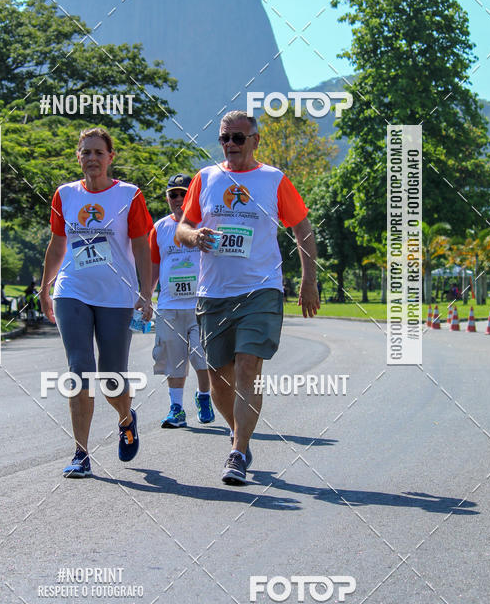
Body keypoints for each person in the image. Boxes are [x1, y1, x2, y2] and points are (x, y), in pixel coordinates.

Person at [177, 110, 320, 485]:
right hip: (214, 292)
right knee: (220, 378)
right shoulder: (205, 178)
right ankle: (239, 431)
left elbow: (302, 228)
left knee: (247, 367)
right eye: (225, 138)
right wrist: (193, 237)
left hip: (261, 288)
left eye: (238, 138)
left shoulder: (273, 180)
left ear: (255, 140)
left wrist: (309, 279)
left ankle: (238, 451)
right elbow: (183, 227)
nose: (230, 145)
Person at [40, 127, 153, 478]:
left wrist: (145, 293)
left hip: (116, 296)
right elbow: (58, 244)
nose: (91, 158)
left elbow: (140, 247)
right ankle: (81, 453)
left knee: (112, 377)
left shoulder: (129, 195)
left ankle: (125, 418)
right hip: (72, 290)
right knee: (80, 370)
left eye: (98, 152)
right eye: (85, 152)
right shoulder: (65, 195)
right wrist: (46, 287)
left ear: (110, 157)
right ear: (78, 157)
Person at [149, 173, 213, 428]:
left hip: (200, 305)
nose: (178, 198)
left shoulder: (205, 224)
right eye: (172, 194)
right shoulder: (159, 228)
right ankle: (176, 409)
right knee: (173, 361)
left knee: (202, 358)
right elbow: (153, 266)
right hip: (169, 306)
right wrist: (144, 297)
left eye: (183, 193)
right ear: (167, 198)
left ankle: (204, 397)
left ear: (193, 196)